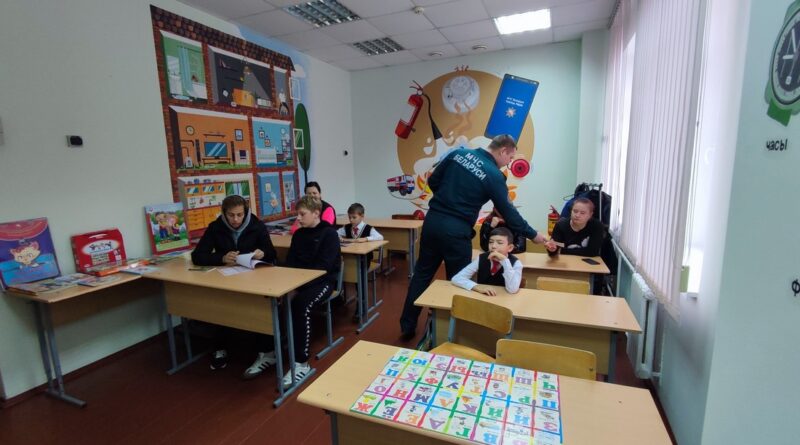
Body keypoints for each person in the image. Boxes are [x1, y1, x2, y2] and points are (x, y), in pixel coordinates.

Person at [399, 134, 547, 340]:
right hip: (457, 229)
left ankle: (407, 325)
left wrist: (448, 199)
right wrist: (533, 234)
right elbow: (509, 213)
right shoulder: (494, 175)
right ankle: (453, 333)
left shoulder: (457, 154)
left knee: (422, 274)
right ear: (503, 151)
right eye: (510, 157)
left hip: (433, 221)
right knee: (458, 280)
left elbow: (433, 181)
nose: (509, 162)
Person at [190, 195, 277, 376]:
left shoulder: (257, 226)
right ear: (224, 213)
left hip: (255, 278)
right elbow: (197, 256)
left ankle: (266, 350)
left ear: (245, 212)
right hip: (228, 278)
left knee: (260, 307)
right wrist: (221, 258)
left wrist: (262, 253)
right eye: (231, 215)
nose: (236, 220)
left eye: (239, 215)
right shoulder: (215, 227)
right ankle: (220, 347)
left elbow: (271, 253)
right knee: (219, 304)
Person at [270, 195, 341, 387]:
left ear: (316, 213)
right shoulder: (299, 234)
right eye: (298, 214)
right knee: (274, 298)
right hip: (299, 282)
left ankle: (301, 362)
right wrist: (290, 286)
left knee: (301, 304)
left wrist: (297, 288)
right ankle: (274, 349)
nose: (298, 218)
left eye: (302, 214)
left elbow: (323, 268)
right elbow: (291, 262)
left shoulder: (329, 234)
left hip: (323, 282)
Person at [453, 227, 522, 295]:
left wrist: (505, 262)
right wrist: (476, 286)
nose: (493, 246)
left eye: (499, 243)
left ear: (510, 248)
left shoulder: (516, 263)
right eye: (491, 242)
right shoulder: (482, 258)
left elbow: (512, 290)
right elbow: (457, 278)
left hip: (504, 299)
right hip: (482, 298)